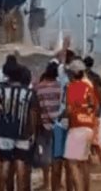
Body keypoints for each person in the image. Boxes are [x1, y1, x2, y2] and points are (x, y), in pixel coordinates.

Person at [0, 60, 39, 191]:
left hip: (4, 132)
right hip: (22, 132)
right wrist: (32, 131)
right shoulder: (29, 93)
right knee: (20, 164)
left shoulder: (1, 92)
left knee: (5, 164)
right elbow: (32, 114)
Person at [63, 59, 98, 191]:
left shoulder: (73, 87)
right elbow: (94, 106)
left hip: (77, 126)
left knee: (71, 163)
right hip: (89, 125)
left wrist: (62, 116)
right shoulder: (89, 86)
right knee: (83, 162)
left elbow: (70, 109)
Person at [35, 62, 62, 191]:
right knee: (56, 156)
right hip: (57, 124)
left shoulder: (39, 87)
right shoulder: (59, 87)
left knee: (45, 155)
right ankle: (56, 184)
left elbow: (36, 107)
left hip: (43, 124)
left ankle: (46, 183)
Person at [83, 56, 101, 166]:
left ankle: (93, 161)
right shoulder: (96, 77)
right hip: (95, 110)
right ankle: (100, 161)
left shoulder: (83, 78)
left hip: (86, 110)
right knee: (94, 137)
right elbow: (100, 95)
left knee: (87, 137)